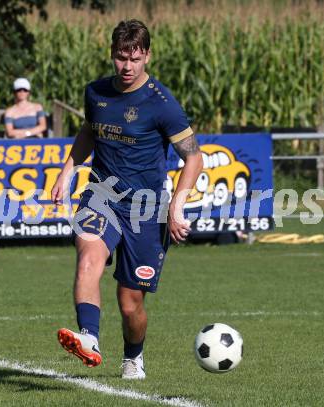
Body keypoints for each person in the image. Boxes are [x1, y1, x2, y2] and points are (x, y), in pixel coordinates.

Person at [51, 19, 203, 379]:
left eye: (135, 59)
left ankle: (133, 357)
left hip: (146, 209)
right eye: (121, 58)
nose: (127, 67)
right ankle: (89, 337)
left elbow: (194, 158)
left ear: (147, 56)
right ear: (112, 55)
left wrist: (178, 205)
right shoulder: (96, 92)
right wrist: (69, 168)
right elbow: (90, 130)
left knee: (129, 302)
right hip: (101, 195)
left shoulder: (161, 104)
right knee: (88, 255)